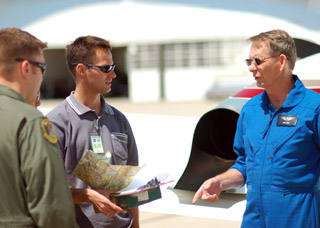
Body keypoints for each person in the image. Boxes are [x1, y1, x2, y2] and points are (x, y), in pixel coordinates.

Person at [193, 29, 320, 227]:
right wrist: (220, 181)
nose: (251, 68)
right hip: (255, 219)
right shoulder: (250, 111)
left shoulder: (314, 108)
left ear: (281, 62)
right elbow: (244, 164)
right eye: (249, 62)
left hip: (298, 218)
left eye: (258, 61)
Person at [47, 35, 139, 228]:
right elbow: (48, 190)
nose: (113, 74)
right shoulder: (56, 123)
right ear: (81, 70)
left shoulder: (120, 120)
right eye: (106, 68)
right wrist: (86, 195)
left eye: (113, 67)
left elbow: (132, 186)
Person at [0, 28, 78, 227]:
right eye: (42, 67)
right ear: (26, 68)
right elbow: (53, 211)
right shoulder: (30, 122)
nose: (42, 77)